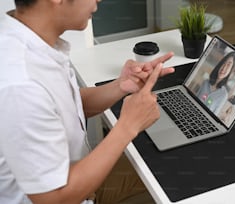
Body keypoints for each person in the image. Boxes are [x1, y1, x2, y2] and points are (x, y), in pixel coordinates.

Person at [0, 0, 175, 203]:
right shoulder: (21, 83)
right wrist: (128, 126)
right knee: (169, 176)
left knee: (161, 166)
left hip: (76, 180)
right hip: (67, 194)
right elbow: (54, 199)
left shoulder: (29, 42)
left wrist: (121, 86)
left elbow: (66, 106)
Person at [196, 51, 235, 115]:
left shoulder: (223, 95)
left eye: (228, 65)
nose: (224, 68)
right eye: (224, 63)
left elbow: (214, 115)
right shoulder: (206, 82)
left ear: (231, 71)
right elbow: (194, 100)